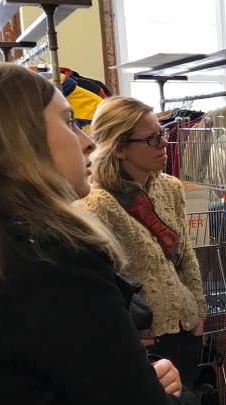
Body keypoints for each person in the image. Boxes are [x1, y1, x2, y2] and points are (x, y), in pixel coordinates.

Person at [0, 64, 202, 405]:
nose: (84, 141)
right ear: (20, 139)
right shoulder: (52, 256)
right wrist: (183, 404)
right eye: (68, 122)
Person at [82, 97, 207, 389]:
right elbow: (99, 283)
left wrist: (199, 313)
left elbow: (186, 255)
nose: (164, 143)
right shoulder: (97, 203)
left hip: (187, 328)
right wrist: (121, 336)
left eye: (162, 133)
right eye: (152, 139)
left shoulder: (170, 187)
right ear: (119, 147)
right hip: (145, 340)